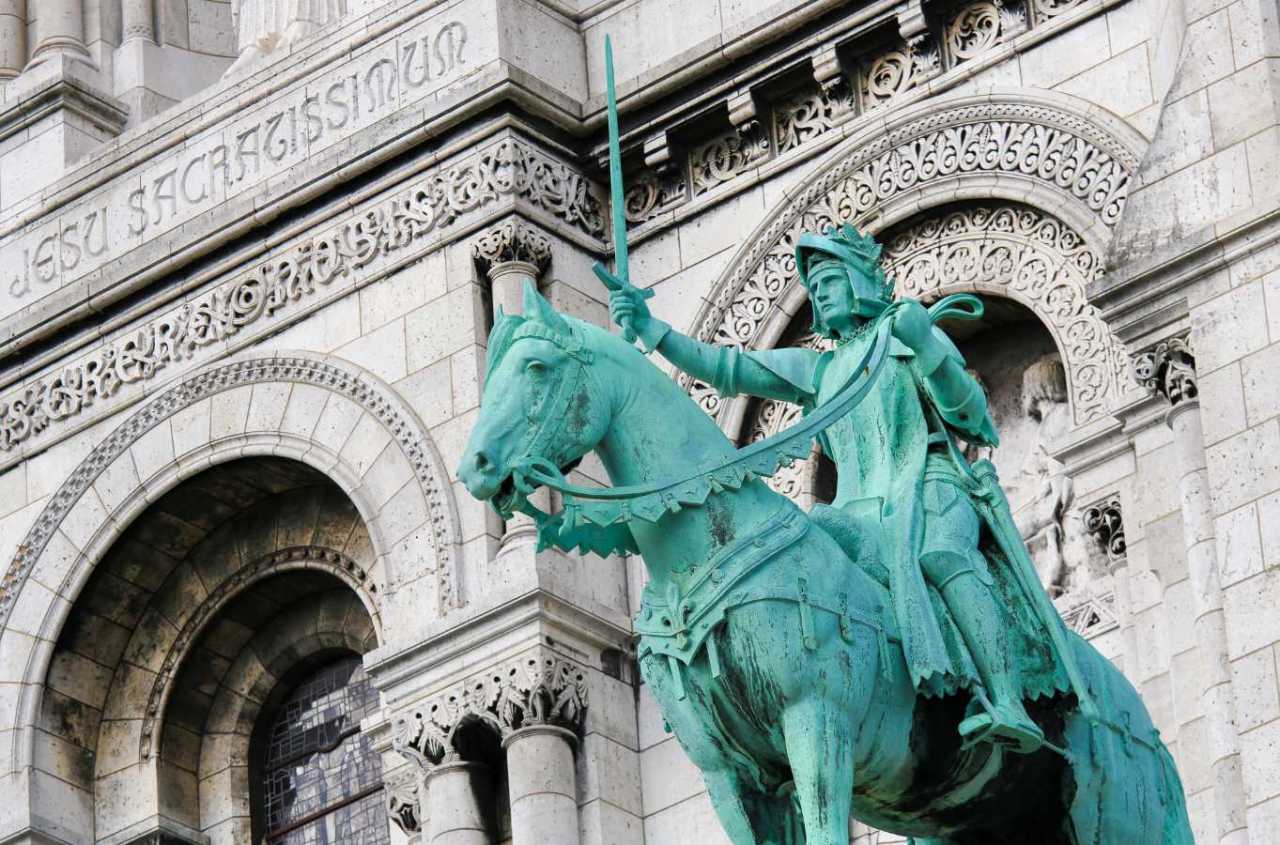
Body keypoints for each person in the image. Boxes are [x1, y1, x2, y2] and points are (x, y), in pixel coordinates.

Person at [603, 223, 1045, 752]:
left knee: (941, 554)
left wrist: (924, 343)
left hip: (931, 487)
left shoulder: (907, 337)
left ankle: (1007, 701)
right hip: (857, 511)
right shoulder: (820, 369)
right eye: (814, 287)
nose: (819, 293)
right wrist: (652, 329)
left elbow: (972, 419)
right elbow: (729, 367)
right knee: (804, 559)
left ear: (860, 281)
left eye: (830, 280)